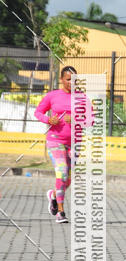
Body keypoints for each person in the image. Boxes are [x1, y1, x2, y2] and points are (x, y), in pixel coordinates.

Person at [35, 65, 77, 223]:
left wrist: (77, 119)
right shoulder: (52, 96)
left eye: (74, 80)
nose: (71, 83)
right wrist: (48, 119)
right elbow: (38, 112)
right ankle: (61, 212)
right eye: (68, 80)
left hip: (74, 143)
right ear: (61, 80)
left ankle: (53, 195)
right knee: (62, 173)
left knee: (68, 180)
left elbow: (92, 119)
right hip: (55, 140)